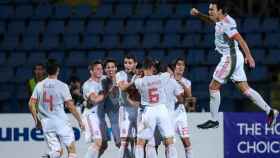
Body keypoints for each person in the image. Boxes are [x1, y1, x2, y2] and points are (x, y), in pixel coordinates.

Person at [190, 0, 278, 129]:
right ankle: (270, 111)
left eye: (212, 10)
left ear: (220, 11)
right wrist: (199, 15)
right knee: (246, 90)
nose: (209, 12)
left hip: (230, 58)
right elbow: (212, 20)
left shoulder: (227, 24)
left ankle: (214, 120)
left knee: (213, 87)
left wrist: (249, 57)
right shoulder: (219, 19)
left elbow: (241, 40)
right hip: (234, 57)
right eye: (209, 9)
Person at [28, 59, 84, 158]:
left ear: (46, 71)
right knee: (71, 149)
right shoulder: (62, 86)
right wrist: (80, 121)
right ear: (58, 70)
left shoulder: (39, 85)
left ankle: (48, 156)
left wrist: (37, 120)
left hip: (47, 123)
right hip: (61, 122)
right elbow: (70, 106)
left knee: (57, 151)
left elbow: (31, 104)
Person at [134, 58, 178, 158]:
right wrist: (160, 64)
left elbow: (136, 83)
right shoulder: (161, 77)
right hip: (162, 109)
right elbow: (170, 73)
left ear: (143, 68)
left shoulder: (139, 81)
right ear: (152, 68)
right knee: (169, 140)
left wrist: (141, 74)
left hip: (149, 110)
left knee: (141, 142)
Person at [82, 60, 109, 158]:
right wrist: (107, 91)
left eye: (101, 69)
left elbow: (113, 79)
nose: (100, 71)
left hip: (100, 115)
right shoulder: (88, 84)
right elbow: (94, 100)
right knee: (98, 143)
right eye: (97, 69)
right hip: (91, 114)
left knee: (104, 145)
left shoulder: (103, 80)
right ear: (91, 71)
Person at [116, 54, 139, 158]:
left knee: (137, 139)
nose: (127, 65)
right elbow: (122, 87)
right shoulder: (120, 74)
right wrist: (133, 81)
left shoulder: (140, 74)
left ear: (135, 64)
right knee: (124, 139)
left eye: (130, 63)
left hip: (138, 109)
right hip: (124, 109)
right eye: (125, 63)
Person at [102, 59, 121, 147]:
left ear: (116, 68)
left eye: (112, 67)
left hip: (125, 115)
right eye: (108, 67)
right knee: (119, 144)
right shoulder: (102, 81)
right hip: (113, 120)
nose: (110, 69)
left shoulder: (121, 78)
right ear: (105, 70)